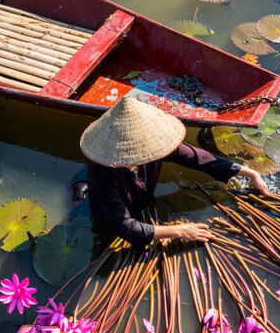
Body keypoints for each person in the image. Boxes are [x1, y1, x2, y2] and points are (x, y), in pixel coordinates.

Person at [80, 97, 269, 248]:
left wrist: (250, 173)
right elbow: (123, 226)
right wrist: (179, 231)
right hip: (111, 221)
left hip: (144, 207)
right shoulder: (102, 173)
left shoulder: (153, 146)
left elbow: (199, 158)